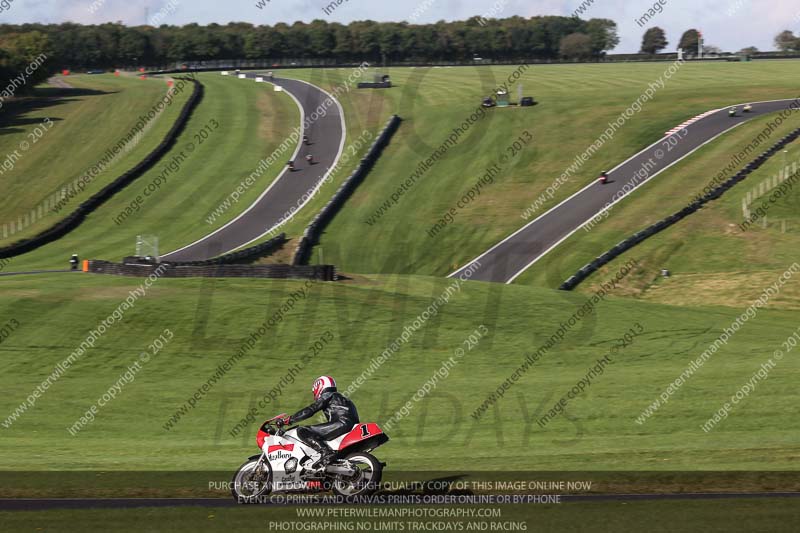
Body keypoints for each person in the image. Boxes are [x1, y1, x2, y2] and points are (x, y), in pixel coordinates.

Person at [276, 376, 359, 468]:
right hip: (351, 426)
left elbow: (311, 410)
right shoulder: (344, 398)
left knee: (302, 430)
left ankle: (326, 452)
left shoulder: (327, 395)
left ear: (319, 386)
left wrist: (290, 419)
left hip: (341, 424)